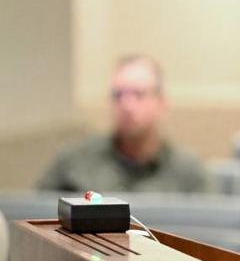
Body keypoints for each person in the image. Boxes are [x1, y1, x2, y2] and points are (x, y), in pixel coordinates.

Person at [37, 55, 210, 194]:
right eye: (118, 95)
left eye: (139, 94)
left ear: (162, 103)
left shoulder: (189, 173)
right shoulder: (74, 163)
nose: (127, 106)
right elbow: (36, 221)